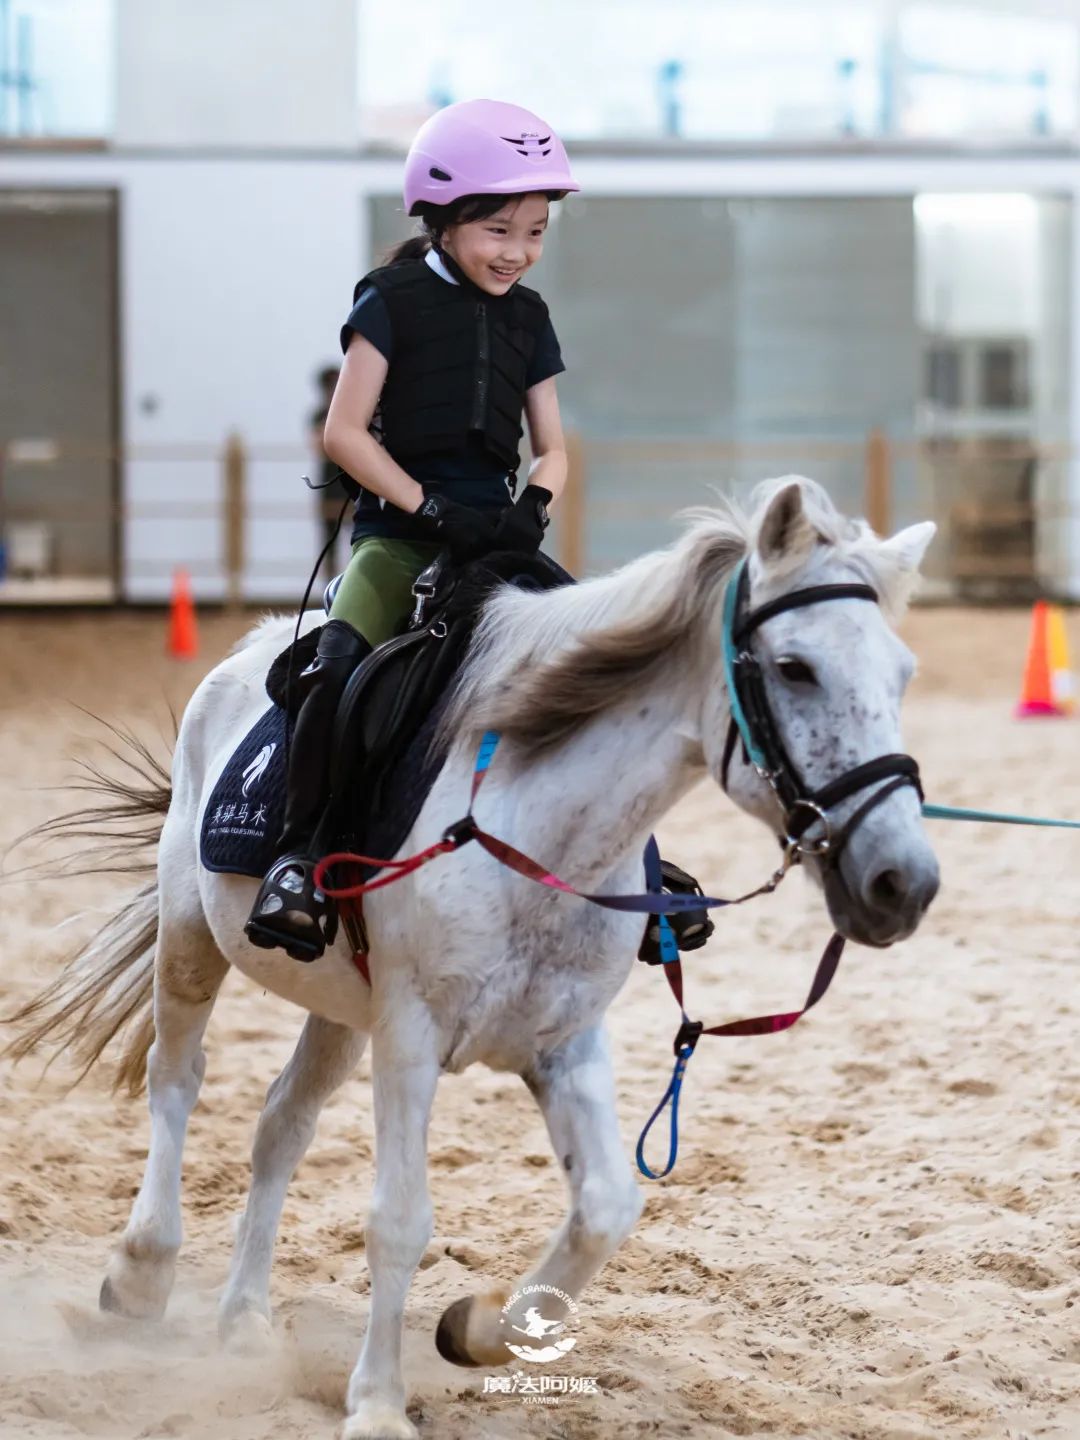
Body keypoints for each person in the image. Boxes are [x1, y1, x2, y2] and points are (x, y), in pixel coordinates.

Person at [245, 98, 578, 960]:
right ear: (443, 216)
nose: (517, 252)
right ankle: (300, 857)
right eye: (499, 230)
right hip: (399, 539)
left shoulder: (530, 317)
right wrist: (428, 509)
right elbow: (344, 434)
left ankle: (640, 862)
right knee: (335, 670)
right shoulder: (390, 300)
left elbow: (552, 448)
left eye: (535, 233)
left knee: (600, 666)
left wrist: (531, 508)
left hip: (500, 541)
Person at [309, 364, 351, 580]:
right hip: (328, 483)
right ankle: (328, 587)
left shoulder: (352, 411)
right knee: (329, 543)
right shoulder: (318, 415)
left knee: (356, 538)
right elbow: (320, 447)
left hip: (350, 480)